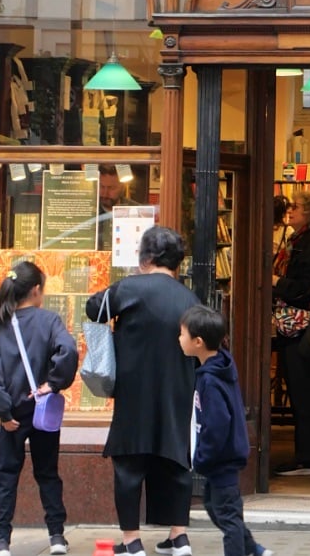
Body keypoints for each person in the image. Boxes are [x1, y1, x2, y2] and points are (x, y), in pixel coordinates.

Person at [85, 225, 199, 556]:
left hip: (134, 390)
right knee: (176, 460)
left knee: (129, 463)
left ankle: (132, 541)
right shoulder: (190, 298)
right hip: (177, 388)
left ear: (146, 257)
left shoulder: (129, 288)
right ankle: (179, 537)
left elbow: (94, 308)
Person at [0, 260, 78, 556]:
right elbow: (68, 349)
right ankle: (57, 536)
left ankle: (1, 541)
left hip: (13, 415)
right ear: (36, 290)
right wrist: (54, 383)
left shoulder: (0, 324)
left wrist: (3, 412)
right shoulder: (49, 321)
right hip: (42, 412)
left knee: (7, 476)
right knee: (47, 472)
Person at [178, 305, 269, 556]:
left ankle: (248, 550)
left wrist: (203, 456)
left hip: (222, 459)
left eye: (182, 334)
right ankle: (254, 549)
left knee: (228, 516)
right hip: (220, 458)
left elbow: (217, 424)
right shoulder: (217, 367)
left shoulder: (211, 378)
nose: (179, 338)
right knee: (216, 507)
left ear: (198, 342)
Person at [272, 189, 310, 476]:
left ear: (309, 212)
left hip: (300, 326)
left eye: (295, 206)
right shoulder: (297, 240)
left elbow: (306, 288)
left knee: (303, 390)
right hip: (292, 325)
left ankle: (308, 457)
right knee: (299, 389)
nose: (290, 210)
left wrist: (276, 282)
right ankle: (308, 454)